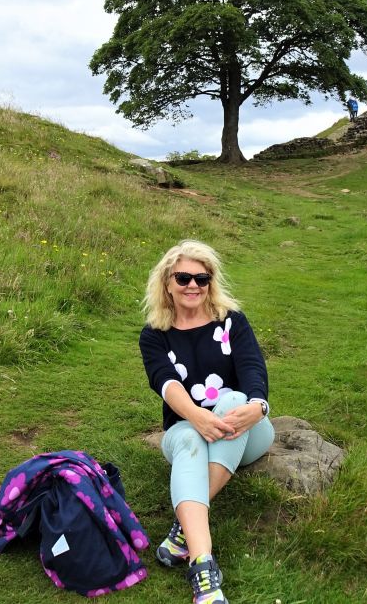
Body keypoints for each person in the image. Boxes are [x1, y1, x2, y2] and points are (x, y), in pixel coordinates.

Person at [140, 240, 274, 604]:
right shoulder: (155, 334)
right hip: (185, 429)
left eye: (202, 277)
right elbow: (164, 381)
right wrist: (197, 417)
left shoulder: (232, 321)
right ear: (167, 282)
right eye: (183, 277)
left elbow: (251, 367)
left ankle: (184, 526)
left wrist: (258, 406)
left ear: (211, 281)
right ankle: (204, 569)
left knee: (232, 399)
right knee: (190, 441)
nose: (193, 285)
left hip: (247, 431)